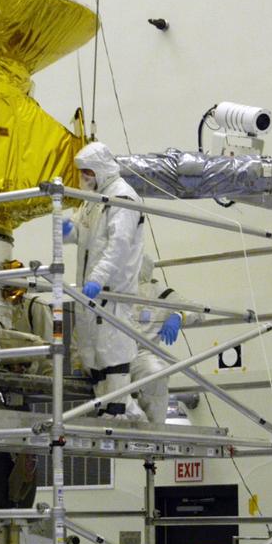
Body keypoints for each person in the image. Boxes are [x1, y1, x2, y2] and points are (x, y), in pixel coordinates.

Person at [64, 141, 145, 419]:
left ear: (98, 169)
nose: (83, 178)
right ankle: (103, 407)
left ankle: (118, 409)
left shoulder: (122, 197)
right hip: (90, 291)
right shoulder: (93, 199)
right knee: (92, 352)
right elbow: (81, 231)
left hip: (111, 290)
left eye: (86, 172)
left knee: (113, 349)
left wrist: (98, 278)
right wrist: (67, 228)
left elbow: (118, 245)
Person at [130, 254, 197, 423]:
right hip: (110, 355)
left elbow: (196, 310)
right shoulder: (109, 288)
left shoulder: (161, 293)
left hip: (141, 354)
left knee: (156, 374)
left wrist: (179, 316)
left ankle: (154, 430)